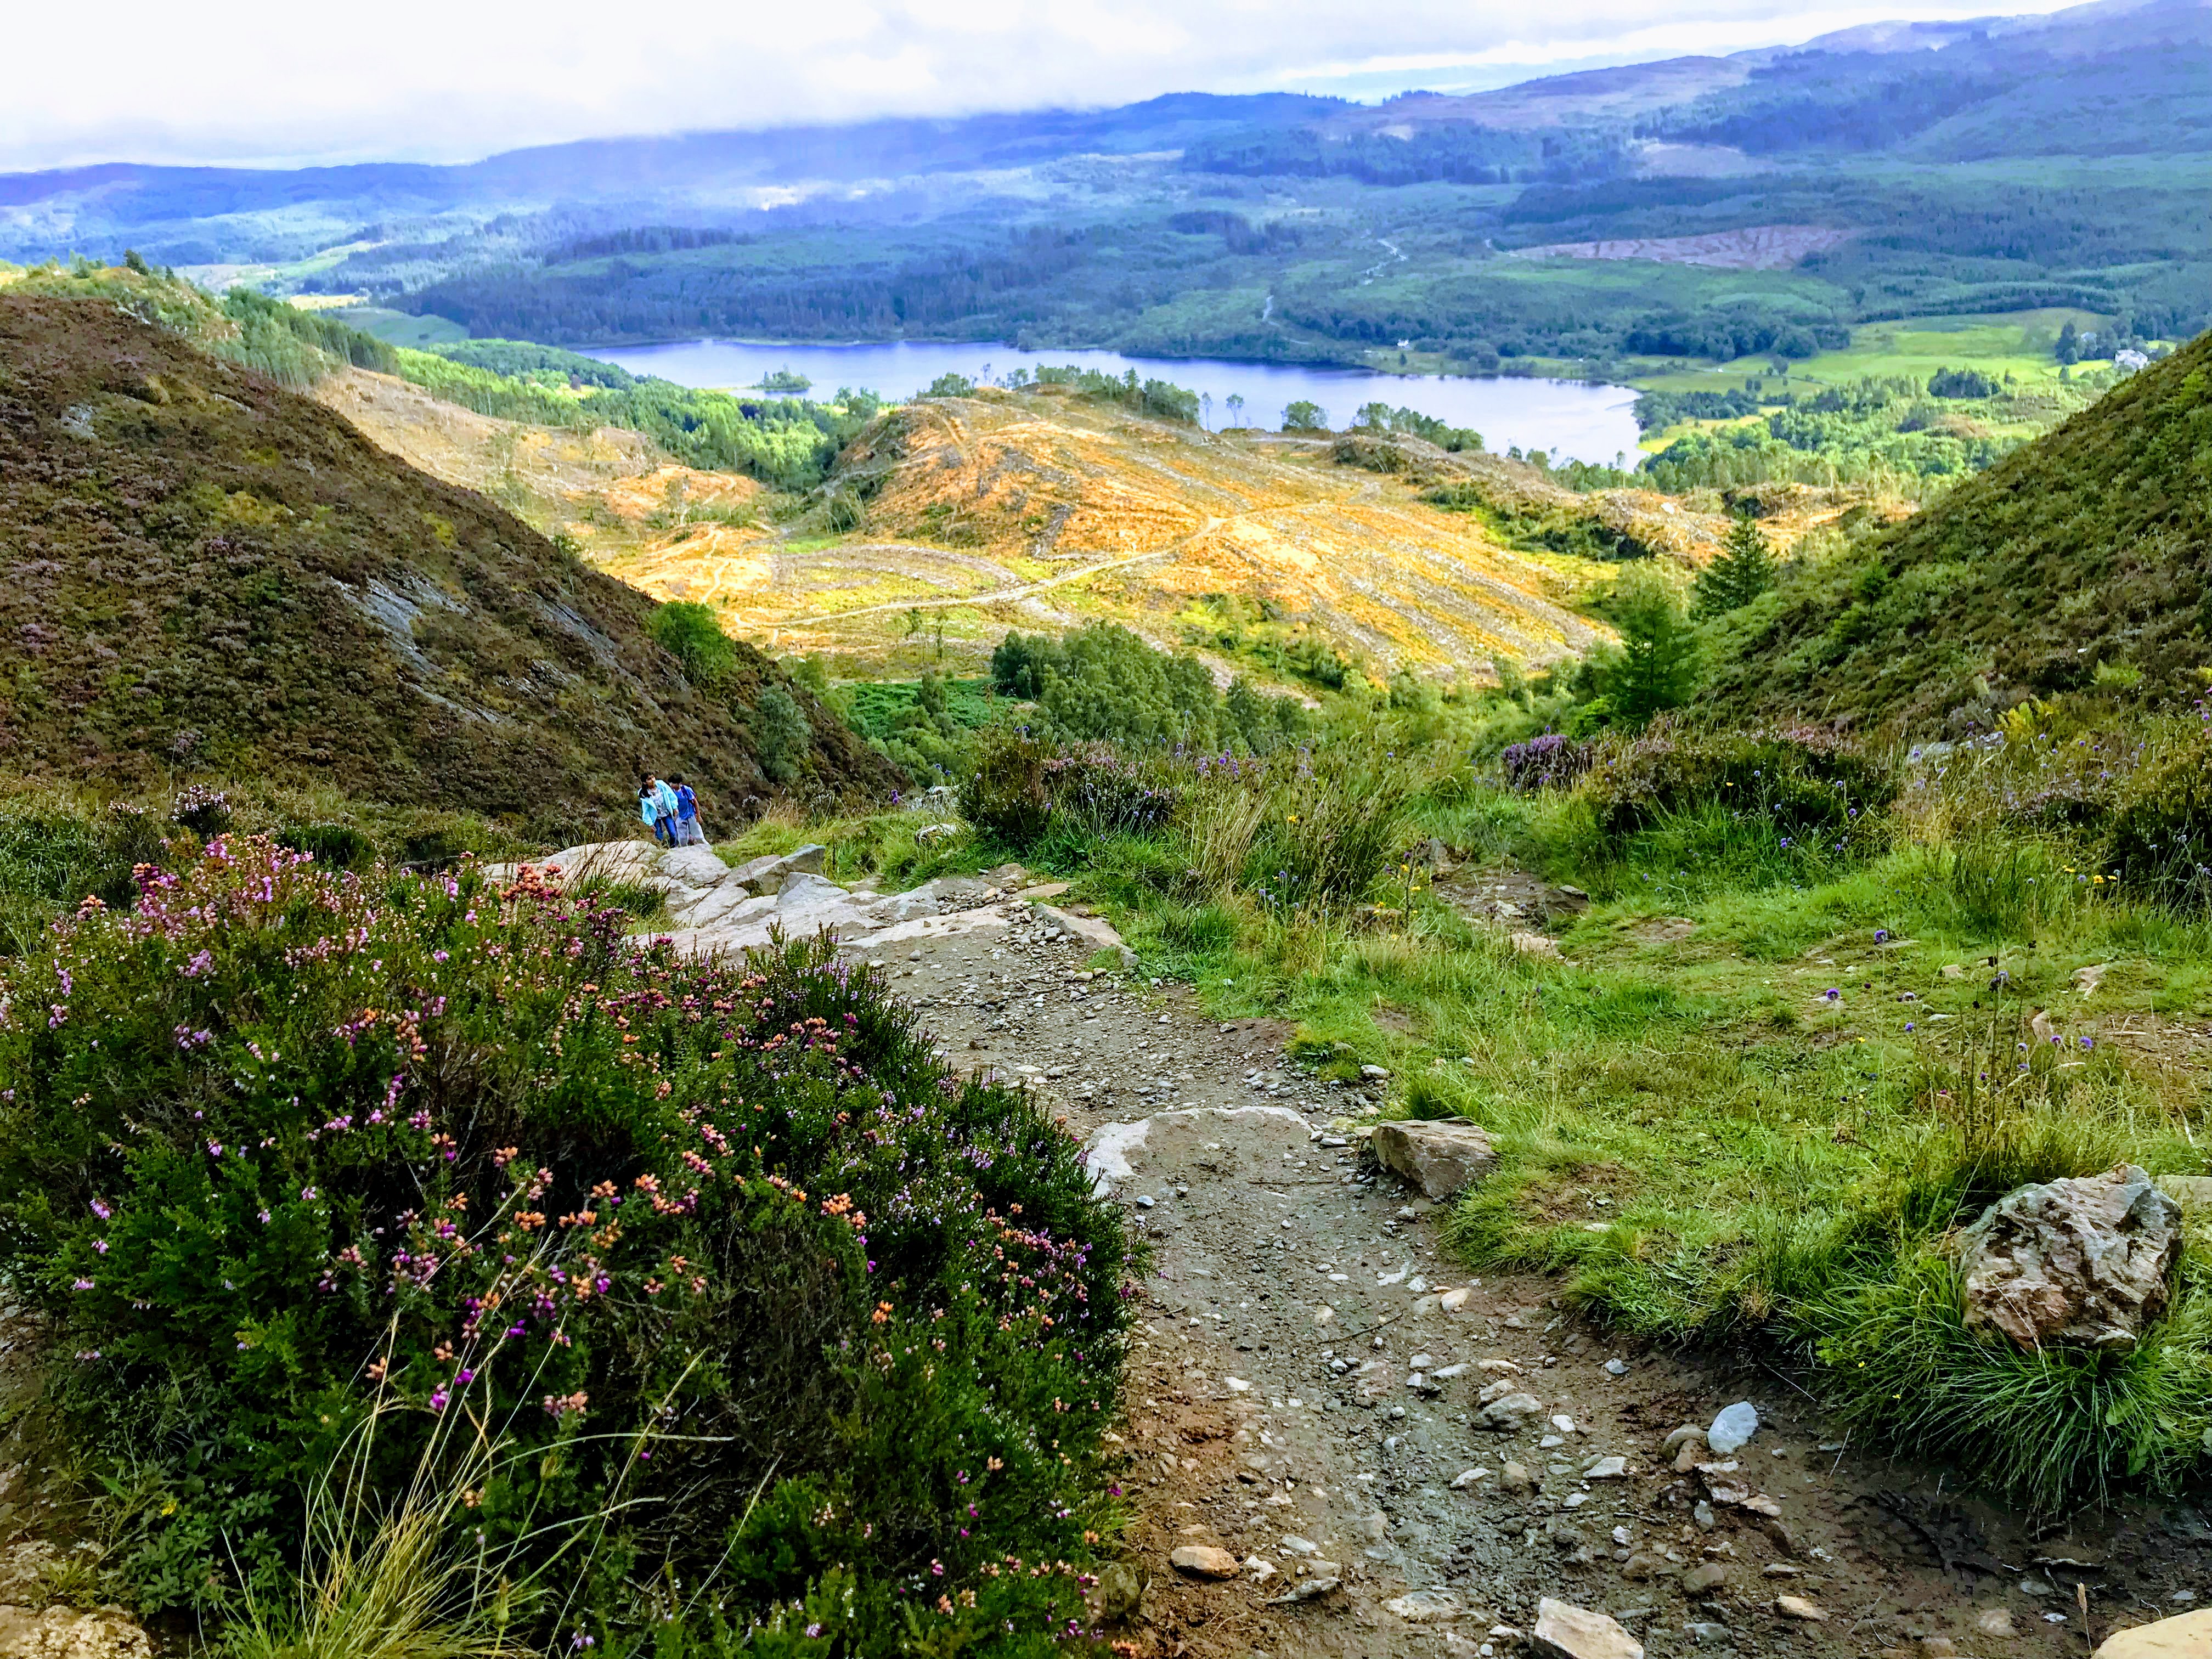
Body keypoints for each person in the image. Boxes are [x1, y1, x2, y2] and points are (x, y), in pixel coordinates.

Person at [672, 776, 707, 845]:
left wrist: (698, 815)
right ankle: (684, 851)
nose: (672, 785)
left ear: (679, 783)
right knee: (682, 838)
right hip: (680, 816)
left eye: (673, 783)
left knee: (698, 835)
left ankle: (707, 847)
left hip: (690, 814)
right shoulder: (671, 792)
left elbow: (695, 802)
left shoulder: (686, 790)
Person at [639, 778, 669, 845]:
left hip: (666, 813)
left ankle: (674, 847)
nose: (653, 780)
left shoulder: (661, 785)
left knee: (673, 833)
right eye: (649, 779)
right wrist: (650, 823)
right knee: (659, 836)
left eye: (653, 777)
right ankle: (662, 848)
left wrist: (674, 807)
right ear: (645, 782)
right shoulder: (644, 794)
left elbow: (670, 795)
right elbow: (646, 811)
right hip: (655, 817)